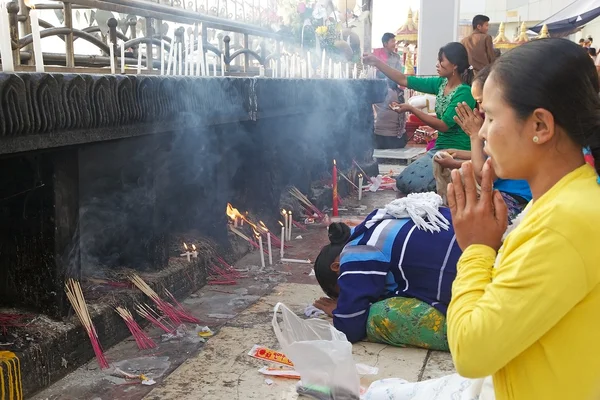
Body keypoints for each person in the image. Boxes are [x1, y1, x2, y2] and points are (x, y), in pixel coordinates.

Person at [365, 38, 600, 400]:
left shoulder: (563, 224)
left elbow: (472, 353)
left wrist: (475, 248)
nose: (483, 132)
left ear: (540, 125)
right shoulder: (563, 199)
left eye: (490, 117)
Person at [312, 203, 461, 351]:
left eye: (342, 291)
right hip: (475, 250)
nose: (347, 293)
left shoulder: (357, 250)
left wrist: (341, 312)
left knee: (380, 314)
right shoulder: (379, 220)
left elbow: (349, 329)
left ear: (337, 267)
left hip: (473, 295)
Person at [363, 42, 476, 194]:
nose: (437, 64)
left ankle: (454, 179)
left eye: (441, 60)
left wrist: (411, 109)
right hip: (438, 149)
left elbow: (443, 125)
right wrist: (377, 62)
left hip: (457, 151)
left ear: (454, 65)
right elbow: (404, 80)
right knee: (403, 181)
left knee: (414, 186)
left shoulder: (464, 92)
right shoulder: (441, 84)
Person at [439, 64, 532, 221]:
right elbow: (491, 155)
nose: (480, 108)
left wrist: (474, 136)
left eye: (481, 101)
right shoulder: (516, 124)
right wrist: (458, 155)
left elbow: (484, 176)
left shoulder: (509, 128)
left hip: (516, 198)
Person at [372, 33, 407, 149]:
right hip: (381, 87)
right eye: (392, 41)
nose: (394, 44)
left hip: (393, 85)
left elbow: (398, 73)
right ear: (385, 43)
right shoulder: (376, 56)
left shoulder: (396, 57)